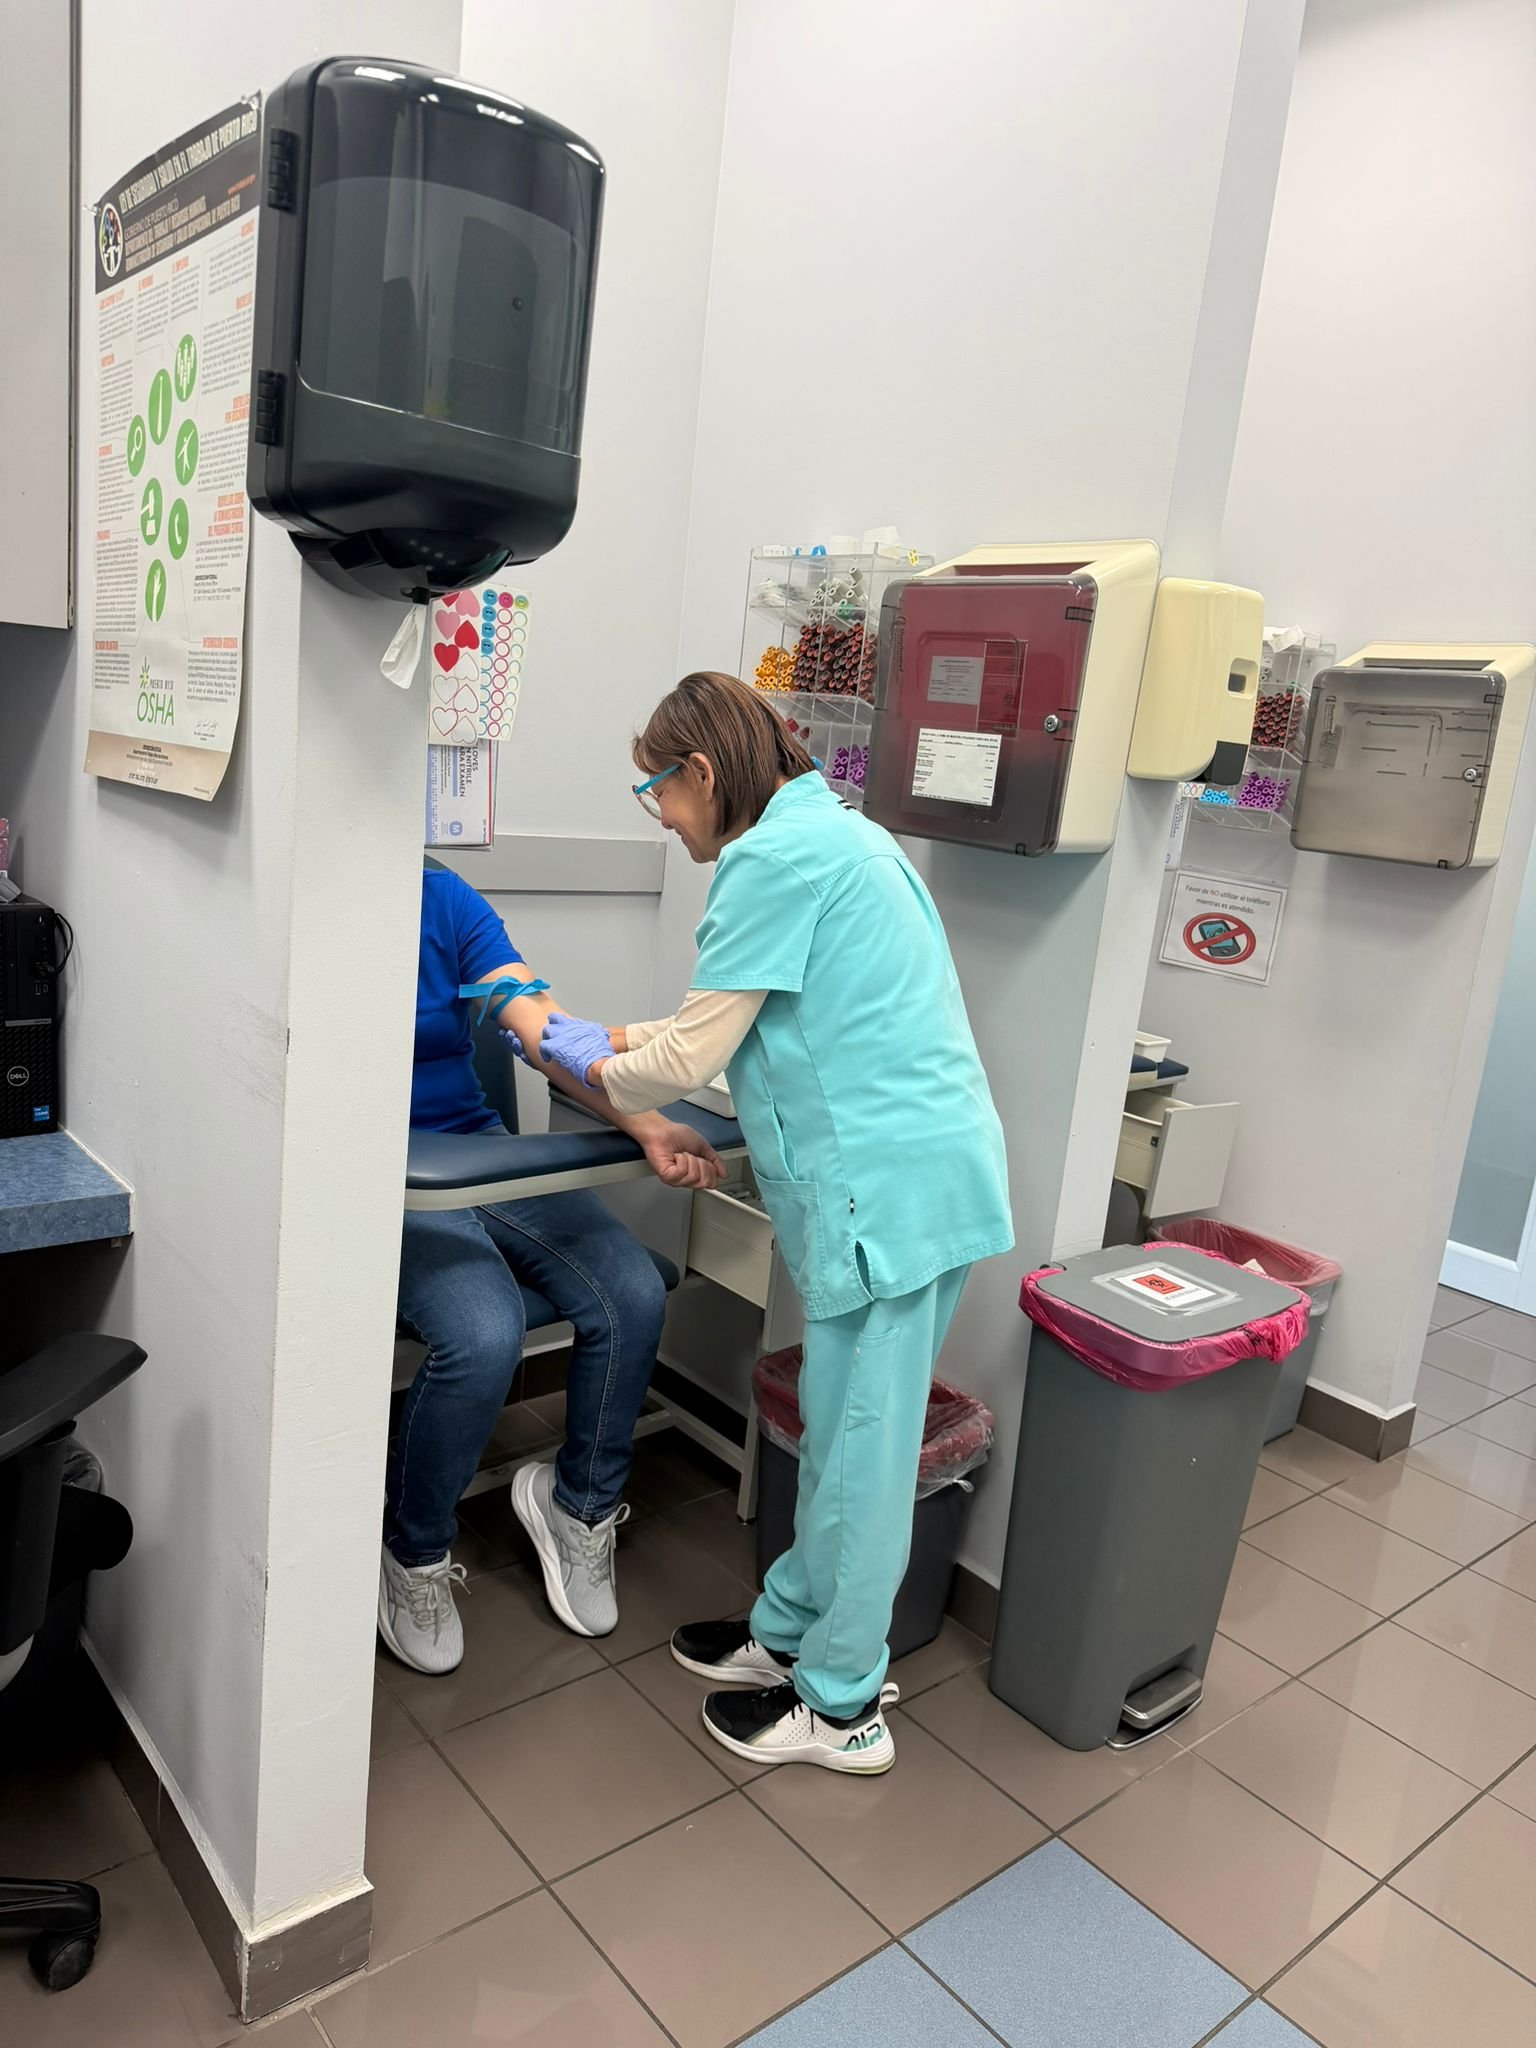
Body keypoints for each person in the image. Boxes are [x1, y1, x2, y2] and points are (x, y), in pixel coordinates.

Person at [522, 672, 1011, 1774]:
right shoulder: (840, 837)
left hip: (891, 1201)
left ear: (701, 772)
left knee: (863, 1458)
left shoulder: (772, 860)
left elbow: (689, 1054)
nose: (659, 815)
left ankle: (842, 1706)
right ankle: (786, 1632)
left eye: (657, 791)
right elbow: (734, 1012)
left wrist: (571, 1052)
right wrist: (610, 1034)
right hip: (911, 1183)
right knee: (835, 1434)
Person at [377, 865, 725, 1676]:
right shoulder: (303, 898)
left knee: (633, 1292)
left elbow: (538, 1027)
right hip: (383, 1168)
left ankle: (579, 1509)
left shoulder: (443, 897)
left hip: (475, 1147)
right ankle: (413, 1551)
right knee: (484, 1333)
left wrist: (648, 1124)